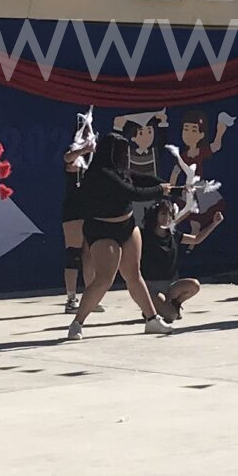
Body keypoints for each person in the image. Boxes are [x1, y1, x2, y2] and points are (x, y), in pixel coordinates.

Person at [66, 131, 174, 336]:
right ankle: (77, 323)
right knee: (104, 279)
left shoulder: (120, 170)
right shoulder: (101, 173)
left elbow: (142, 179)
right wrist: (160, 190)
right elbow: (132, 192)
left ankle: (152, 320)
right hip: (102, 230)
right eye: (123, 152)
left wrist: (170, 187)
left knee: (134, 274)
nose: (126, 156)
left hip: (127, 226)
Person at [139, 194, 205, 324]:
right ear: (155, 215)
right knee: (171, 316)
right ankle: (151, 306)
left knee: (194, 285)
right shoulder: (143, 235)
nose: (167, 217)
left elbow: (196, 239)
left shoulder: (174, 235)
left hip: (170, 285)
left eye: (170, 214)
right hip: (151, 285)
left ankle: (174, 303)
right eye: (163, 214)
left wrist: (214, 223)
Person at [58, 110, 96, 312]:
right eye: (85, 132)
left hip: (90, 209)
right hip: (73, 210)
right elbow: (68, 159)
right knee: (73, 253)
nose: (89, 135)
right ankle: (71, 299)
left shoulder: (92, 158)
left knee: (89, 253)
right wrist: (83, 149)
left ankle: (91, 297)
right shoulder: (73, 153)